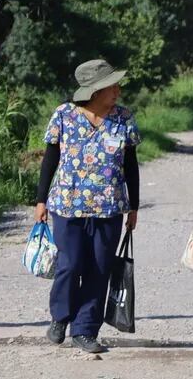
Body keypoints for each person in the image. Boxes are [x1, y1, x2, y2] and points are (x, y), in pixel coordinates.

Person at [35, 59, 139, 355]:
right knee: (69, 264)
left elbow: (131, 165)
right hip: (67, 205)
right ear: (95, 90)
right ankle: (60, 317)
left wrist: (134, 206)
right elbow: (50, 159)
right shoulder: (64, 115)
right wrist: (41, 200)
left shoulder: (123, 117)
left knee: (99, 269)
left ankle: (85, 330)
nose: (118, 90)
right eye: (112, 86)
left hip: (109, 207)